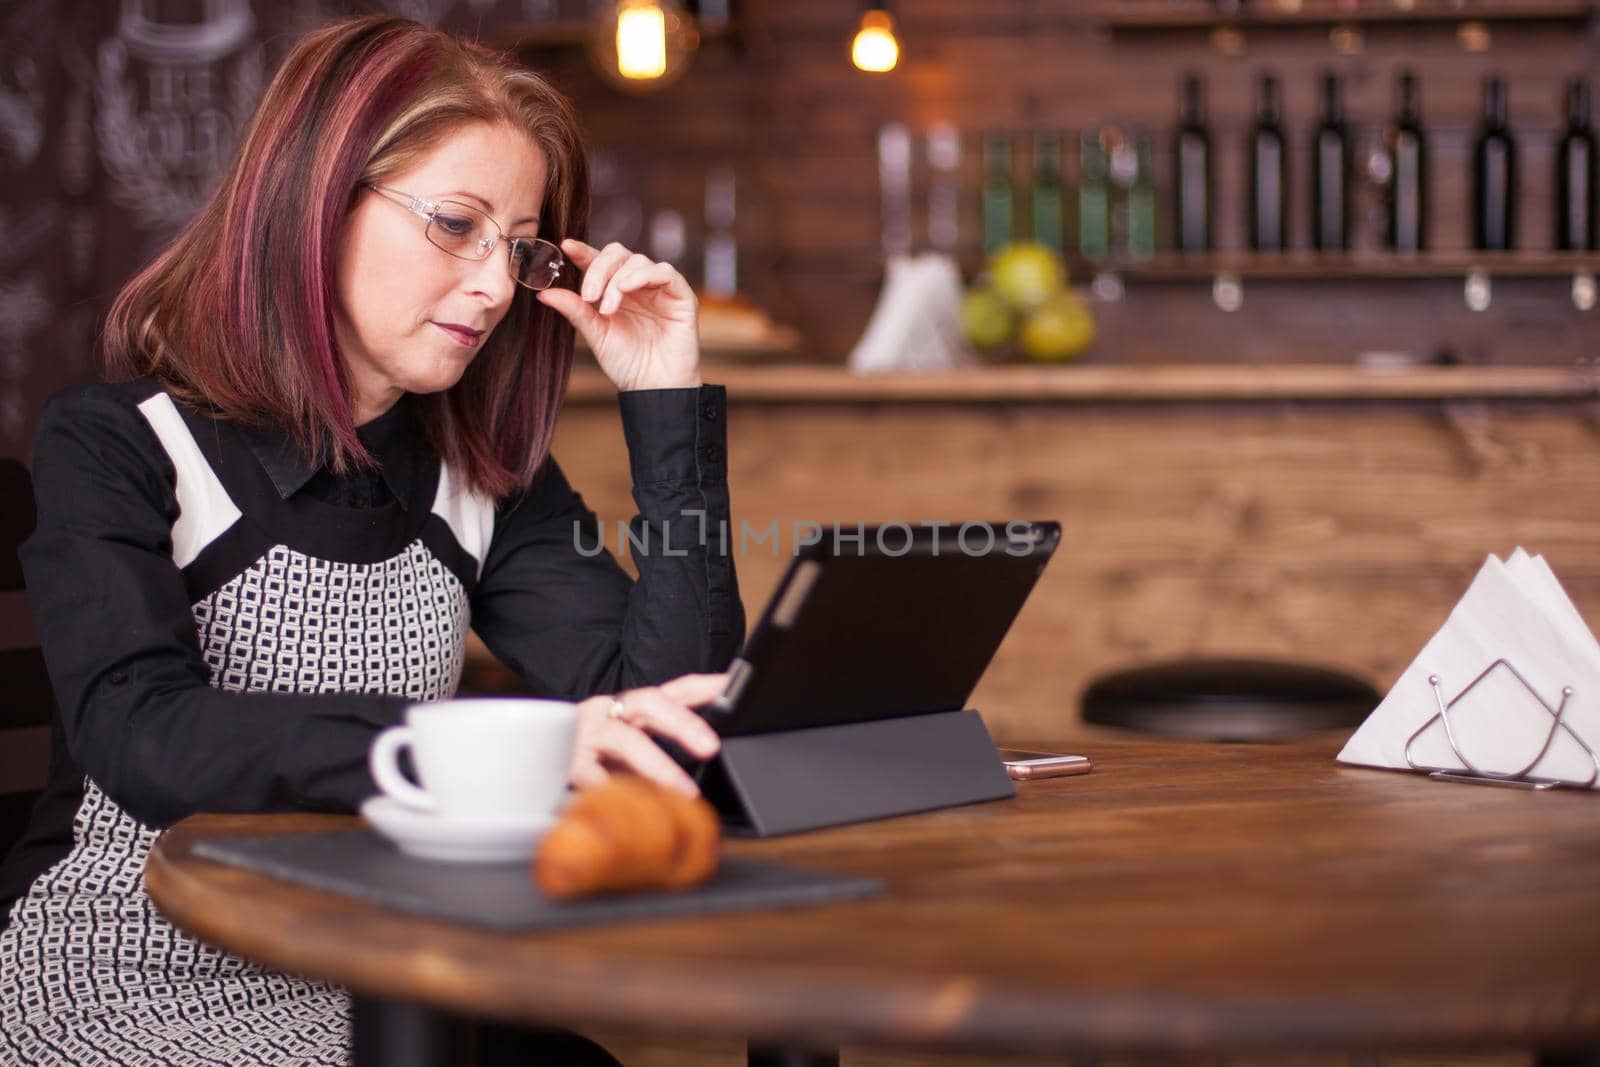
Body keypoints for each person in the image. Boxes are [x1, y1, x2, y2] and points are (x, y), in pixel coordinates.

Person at [0, 14, 743, 1066]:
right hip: (122, 967)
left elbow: (670, 714)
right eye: (453, 224)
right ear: (316, 202)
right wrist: (508, 752)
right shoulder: (123, 442)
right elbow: (142, 732)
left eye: (518, 247)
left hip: (376, 965)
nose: (495, 289)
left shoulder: (482, 477)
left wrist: (666, 397)